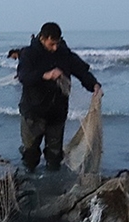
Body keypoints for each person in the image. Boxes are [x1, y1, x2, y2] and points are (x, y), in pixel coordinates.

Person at [16, 22, 101, 171]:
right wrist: (45, 75)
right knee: (30, 154)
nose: (55, 48)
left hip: (57, 112)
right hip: (33, 112)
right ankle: (29, 178)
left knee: (55, 156)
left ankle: (52, 185)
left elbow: (81, 71)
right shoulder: (29, 54)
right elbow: (24, 76)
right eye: (51, 44)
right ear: (42, 38)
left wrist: (94, 85)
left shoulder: (64, 53)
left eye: (57, 43)